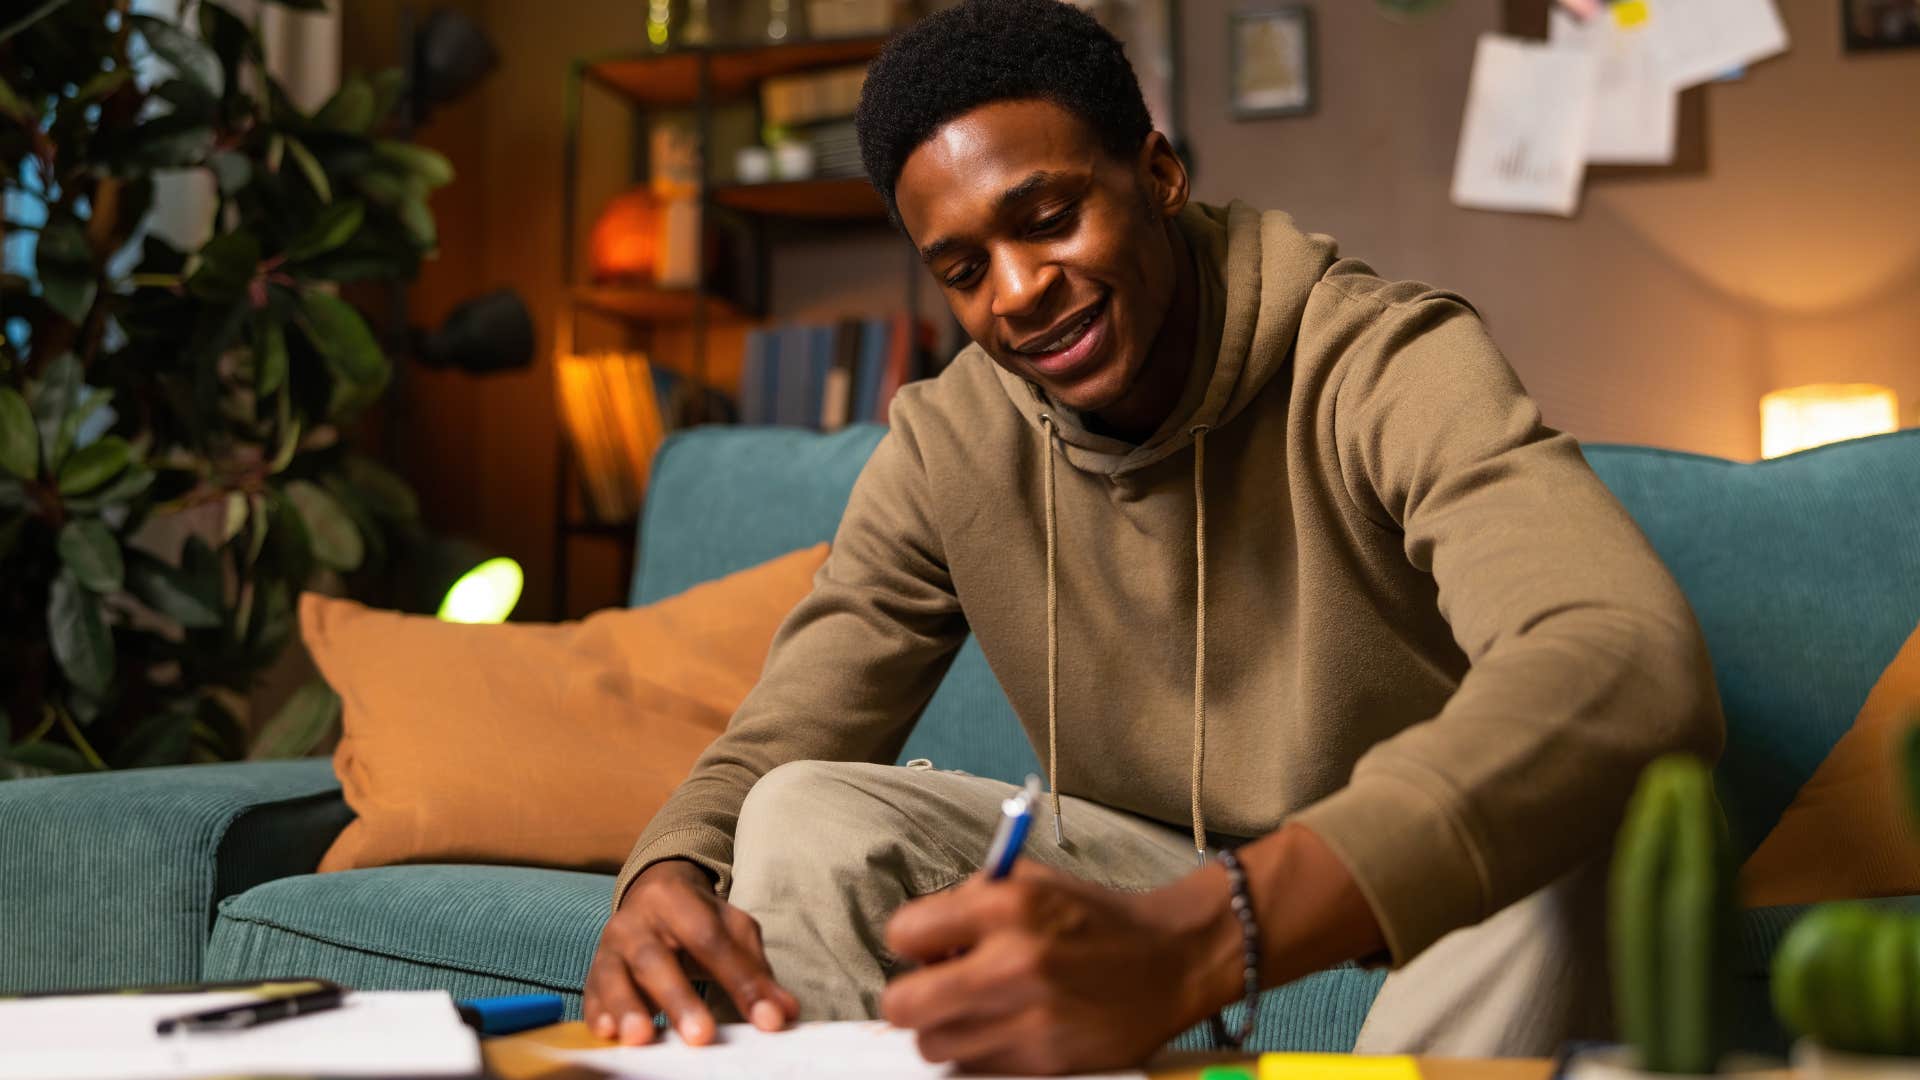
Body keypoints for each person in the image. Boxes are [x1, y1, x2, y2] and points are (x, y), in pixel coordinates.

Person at [583, 0, 1724, 1071]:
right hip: (1146, 874)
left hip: (1403, 886)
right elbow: (786, 730)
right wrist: (667, 870)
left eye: (1049, 219)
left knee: (1576, 819)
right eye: (966, 269)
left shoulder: (1381, 361)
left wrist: (1205, 934)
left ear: (1161, 175)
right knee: (800, 812)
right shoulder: (949, 442)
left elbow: (1625, 656)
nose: (1020, 292)